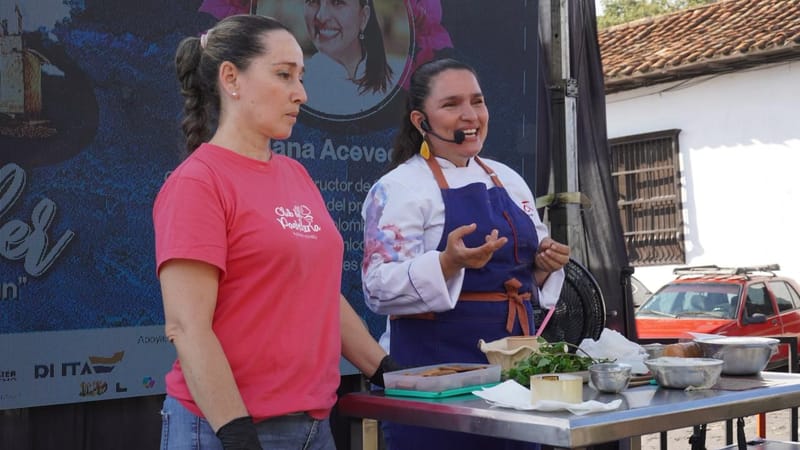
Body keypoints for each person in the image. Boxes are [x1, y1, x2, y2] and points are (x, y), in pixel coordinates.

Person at [154, 14, 397, 450]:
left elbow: (321, 294)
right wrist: (236, 433)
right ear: (232, 78)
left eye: (300, 77)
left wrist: (387, 372)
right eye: (284, 75)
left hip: (313, 427)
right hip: (225, 431)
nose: (300, 93)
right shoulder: (198, 182)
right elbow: (187, 327)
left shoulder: (296, 174)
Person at [360, 58, 571, 449]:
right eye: (452, 104)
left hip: (514, 380)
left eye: (478, 101)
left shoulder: (508, 179)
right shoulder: (399, 188)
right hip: (434, 376)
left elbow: (530, 276)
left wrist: (543, 265)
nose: (470, 115)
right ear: (421, 121)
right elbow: (376, 288)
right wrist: (447, 262)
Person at [301, 0, 402, 114]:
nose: (321, 16)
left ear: (364, 16)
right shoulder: (296, 87)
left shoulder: (398, 86)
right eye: (313, 1)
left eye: (337, 3)